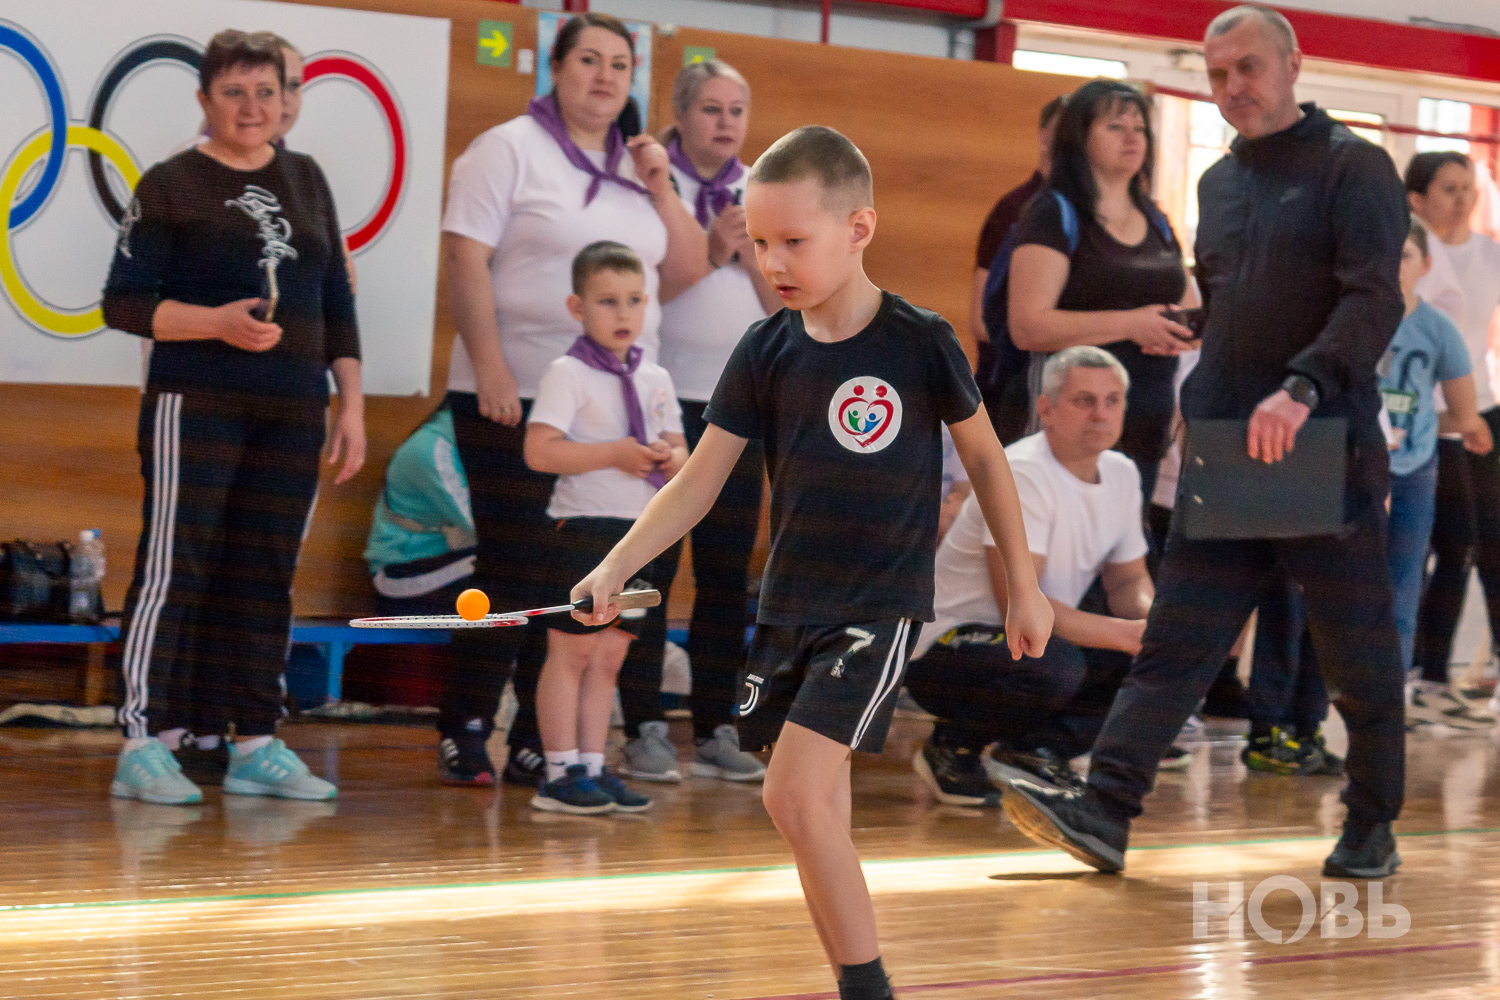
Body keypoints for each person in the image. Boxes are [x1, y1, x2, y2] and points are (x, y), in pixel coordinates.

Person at [568, 125, 1053, 1000]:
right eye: (759, 243)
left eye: (793, 240)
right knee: (815, 809)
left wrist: (1025, 586)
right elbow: (697, 482)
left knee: (788, 795)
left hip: (878, 609)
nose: (772, 262)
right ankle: (855, 982)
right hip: (789, 606)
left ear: (858, 228)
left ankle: (870, 989)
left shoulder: (920, 340)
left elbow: (986, 460)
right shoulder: (764, 350)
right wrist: (615, 565)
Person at [999, 5, 1410, 880]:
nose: (1232, 88)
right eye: (1218, 75)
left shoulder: (1356, 166)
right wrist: (1197, 355)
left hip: (1318, 440)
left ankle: (1371, 825)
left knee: (1356, 653)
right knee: (1176, 641)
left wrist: (1301, 388)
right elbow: (1229, 302)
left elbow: (1373, 299)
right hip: (1226, 446)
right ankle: (1106, 810)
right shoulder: (1219, 183)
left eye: (1248, 68)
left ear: (1292, 63)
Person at [436, 12, 709, 787]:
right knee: (511, 563)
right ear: (556, 68)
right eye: (589, 59)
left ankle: (539, 740)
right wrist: (489, 367)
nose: (605, 76)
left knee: (579, 578)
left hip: (612, 413)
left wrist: (660, 184)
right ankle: (465, 725)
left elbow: (688, 269)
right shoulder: (508, 149)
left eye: (620, 64)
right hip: (514, 394)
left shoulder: (639, 166)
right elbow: (463, 258)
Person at [104, 30, 363, 804]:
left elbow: (337, 301)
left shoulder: (307, 178)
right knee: (174, 568)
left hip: (294, 408)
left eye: (266, 92)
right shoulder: (170, 183)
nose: (252, 108)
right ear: (205, 100)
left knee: (265, 572)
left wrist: (351, 402)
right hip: (197, 402)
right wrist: (213, 323)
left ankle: (255, 739)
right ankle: (143, 740)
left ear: (285, 100)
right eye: (234, 92)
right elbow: (123, 304)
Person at [905, 348, 1152, 807]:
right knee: (1054, 663)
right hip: (945, 649)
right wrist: (1127, 634)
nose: (1101, 414)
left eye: (1112, 401)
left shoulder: (1122, 473)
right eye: (1084, 400)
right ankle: (952, 746)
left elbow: (1127, 581)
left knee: (1147, 658)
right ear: (1046, 409)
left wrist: (1152, 624)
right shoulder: (1022, 472)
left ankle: (1035, 752)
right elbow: (1018, 603)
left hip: (1031, 639)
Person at [523, 241, 687, 813]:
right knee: (571, 653)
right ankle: (558, 772)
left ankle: (592, 766)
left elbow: (683, 456)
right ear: (577, 307)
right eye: (608, 301)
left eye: (635, 300)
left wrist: (670, 457)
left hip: (641, 536)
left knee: (610, 657)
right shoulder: (566, 373)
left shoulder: (657, 377)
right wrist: (614, 453)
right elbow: (540, 451)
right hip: (585, 530)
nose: (623, 313)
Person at [655, 58, 778, 782]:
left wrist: (749, 255)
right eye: (710, 108)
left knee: (725, 574)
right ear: (679, 113)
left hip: (736, 409)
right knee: (650, 565)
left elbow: (787, 304)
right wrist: (709, 250)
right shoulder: (652, 182)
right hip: (657, 405)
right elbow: (634, 291)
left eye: (737, 109)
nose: (726, 122)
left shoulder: (762, 188)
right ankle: (642, 721)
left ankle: (715, 726)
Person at [1007, 79, 1199, 500]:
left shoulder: (1157, 218)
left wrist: (1184, 332)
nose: (1133, 138)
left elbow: (1185, 308)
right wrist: (1131, 325)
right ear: (1080, 137)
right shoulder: (1053, 213)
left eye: (1140, 128)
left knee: (1124, 538)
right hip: (1071, 426)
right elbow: (1027, 326)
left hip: (1146, 424)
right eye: (1116, 126)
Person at [1407, 151, 1500, 729]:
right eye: (1449, 188)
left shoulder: (1489, 253)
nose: (1463, 198)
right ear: (1417, 200)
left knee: (1489, 543)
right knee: (1448, 542)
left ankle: (1462, 673)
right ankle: (1426, 674)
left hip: (1482, 408)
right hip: (1432, 418)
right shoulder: (1412, 256)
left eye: (1468, 187)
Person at [971, 97, 1065, 444]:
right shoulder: (1016, 210)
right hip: (1010, 386)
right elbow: (980, 321)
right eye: (1065, 130)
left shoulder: (1086, 214)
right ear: (1044, 137)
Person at [364, 405, 476, 619]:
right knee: (508, 566)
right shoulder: (432, 449)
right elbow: (484, 526)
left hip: (448, 558)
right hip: (399, 573)